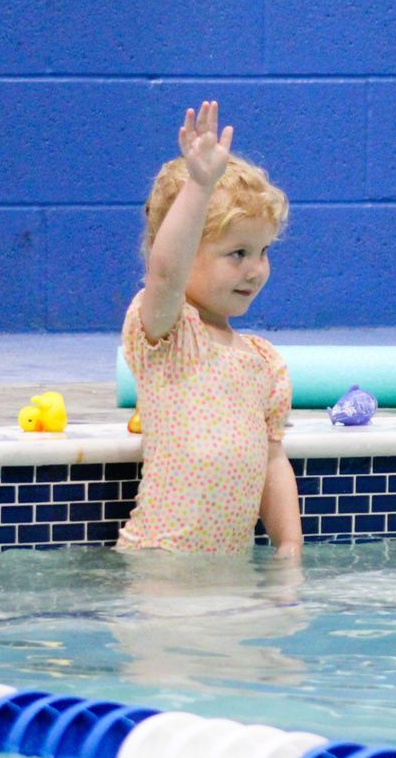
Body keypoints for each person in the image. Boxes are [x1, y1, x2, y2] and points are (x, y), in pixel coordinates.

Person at [119, 101, 302, 556]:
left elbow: (273, 463)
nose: (255, 270)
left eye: (262, 252)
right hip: (159, 562)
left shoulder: (264, 363)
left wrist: (290, 549)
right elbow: (165, 274)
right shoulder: (168, 333)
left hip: (229, 573)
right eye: (237, 253)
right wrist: (200, 186)